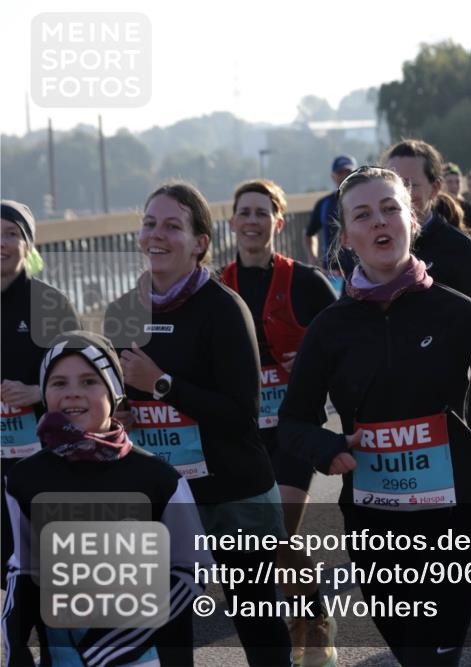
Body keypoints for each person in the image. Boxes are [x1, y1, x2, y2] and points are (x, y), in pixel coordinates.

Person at [278, 166, 471, 666]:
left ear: (412, 220)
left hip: (455, 522)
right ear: (347, 236)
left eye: (390, 209)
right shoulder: (329, 329)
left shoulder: (458, 312)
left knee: (433, 657)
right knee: (411, 653)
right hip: (375, 527)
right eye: (363, 215)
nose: (379, 221)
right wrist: (327, 449)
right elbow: (292, 423)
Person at [104, 181, 292, 666]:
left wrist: (162, 384)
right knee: (167, 626)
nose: (156, 235)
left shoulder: (225, 308)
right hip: (164, 494)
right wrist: (119, 415)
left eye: (172, 226)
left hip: (234, 493)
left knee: (256, 618)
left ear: (200, 242)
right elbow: (122, 398)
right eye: (150, 224)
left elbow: (241, 417)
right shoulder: (122, 311)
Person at [1, 330, 206, 667]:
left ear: (115, 392)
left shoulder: (159, 479)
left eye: (89, 381)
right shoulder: (24, 480)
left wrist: (109, 644)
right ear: (45, 394)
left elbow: (192, 570)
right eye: (58, 383)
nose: (73, 393)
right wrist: (16, 652)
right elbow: (21, 573)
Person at [221, 179, 338, 667]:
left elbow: (346, 339)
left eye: (261, 213)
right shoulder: (216, 286)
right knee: (272, 543)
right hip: (241, 437)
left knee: (276, 532)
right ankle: (311, 616)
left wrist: (313, 364)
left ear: (278, 221)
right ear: (232, 222)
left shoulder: (306, 282)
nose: (252, 221)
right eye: (244, 212)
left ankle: (310, 627)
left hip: (293, 429)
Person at [2, 200, 81, 465]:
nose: (1, 243)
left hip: (45, 455)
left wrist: (39, 392)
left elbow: (86, 377)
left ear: (28, 246)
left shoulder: (52, 304)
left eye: (11, 234)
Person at [383, 140, 471, 308]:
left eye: (409, 185)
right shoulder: (372, 250)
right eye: (392, 185)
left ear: (435, 188)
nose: (399, 195)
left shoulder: (462, 251)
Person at [306, 155, 358, 292]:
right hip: (333, 275)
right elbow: (309, 234)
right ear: (333, 177)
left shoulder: (366, 200)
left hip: (361, 272)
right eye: (341, 173)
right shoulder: (324, 204)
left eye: (349, 172)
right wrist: (313, 260)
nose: (345, 176)